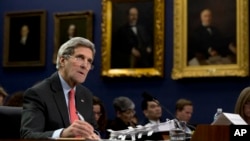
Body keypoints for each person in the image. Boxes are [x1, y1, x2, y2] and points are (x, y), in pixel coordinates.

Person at [20, 37, 100, 140]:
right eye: (80, 58)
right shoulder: (38, 94)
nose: (85, 65)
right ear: (62, 60)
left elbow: (94, 129)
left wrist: (94, 135)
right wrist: (62, 133)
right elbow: (28, 136)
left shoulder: (85, 94)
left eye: (89, 61)